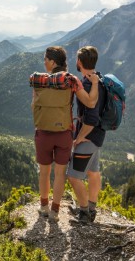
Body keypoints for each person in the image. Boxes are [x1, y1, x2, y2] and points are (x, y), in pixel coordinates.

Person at [29, 46, 99, 222]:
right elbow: (90, 103)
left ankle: (43, 206)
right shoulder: (71, 80)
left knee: (44, 172)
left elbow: (33, 106)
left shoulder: (38, 80)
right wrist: (96, 83)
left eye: (46, 59)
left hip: (43, 133)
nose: (44, 62)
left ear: (53, 62)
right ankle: (54, 211)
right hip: (63, 134)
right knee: (60, 174)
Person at [67, 46, 106, 223]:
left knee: (74, 177)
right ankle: (91, 208)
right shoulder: (99, 80)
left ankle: (84, 214)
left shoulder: (88, 84)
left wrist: (79, 137)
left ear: (79, 62)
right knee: (93, 172)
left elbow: (91, 117)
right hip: (98, 136)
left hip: (89, 136)